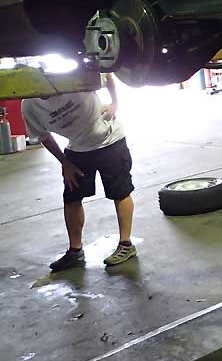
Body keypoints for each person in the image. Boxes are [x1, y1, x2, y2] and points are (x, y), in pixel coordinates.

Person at [21, 74, 137, 271]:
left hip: (110, 141)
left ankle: (126, 244)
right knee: (72, 198)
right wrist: (65, 162)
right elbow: (42, 136)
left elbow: (107, 74)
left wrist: (115, 103)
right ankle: (75, 251)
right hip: (77, 149)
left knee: (120, 192)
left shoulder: (71, 80)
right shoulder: (29, 106)